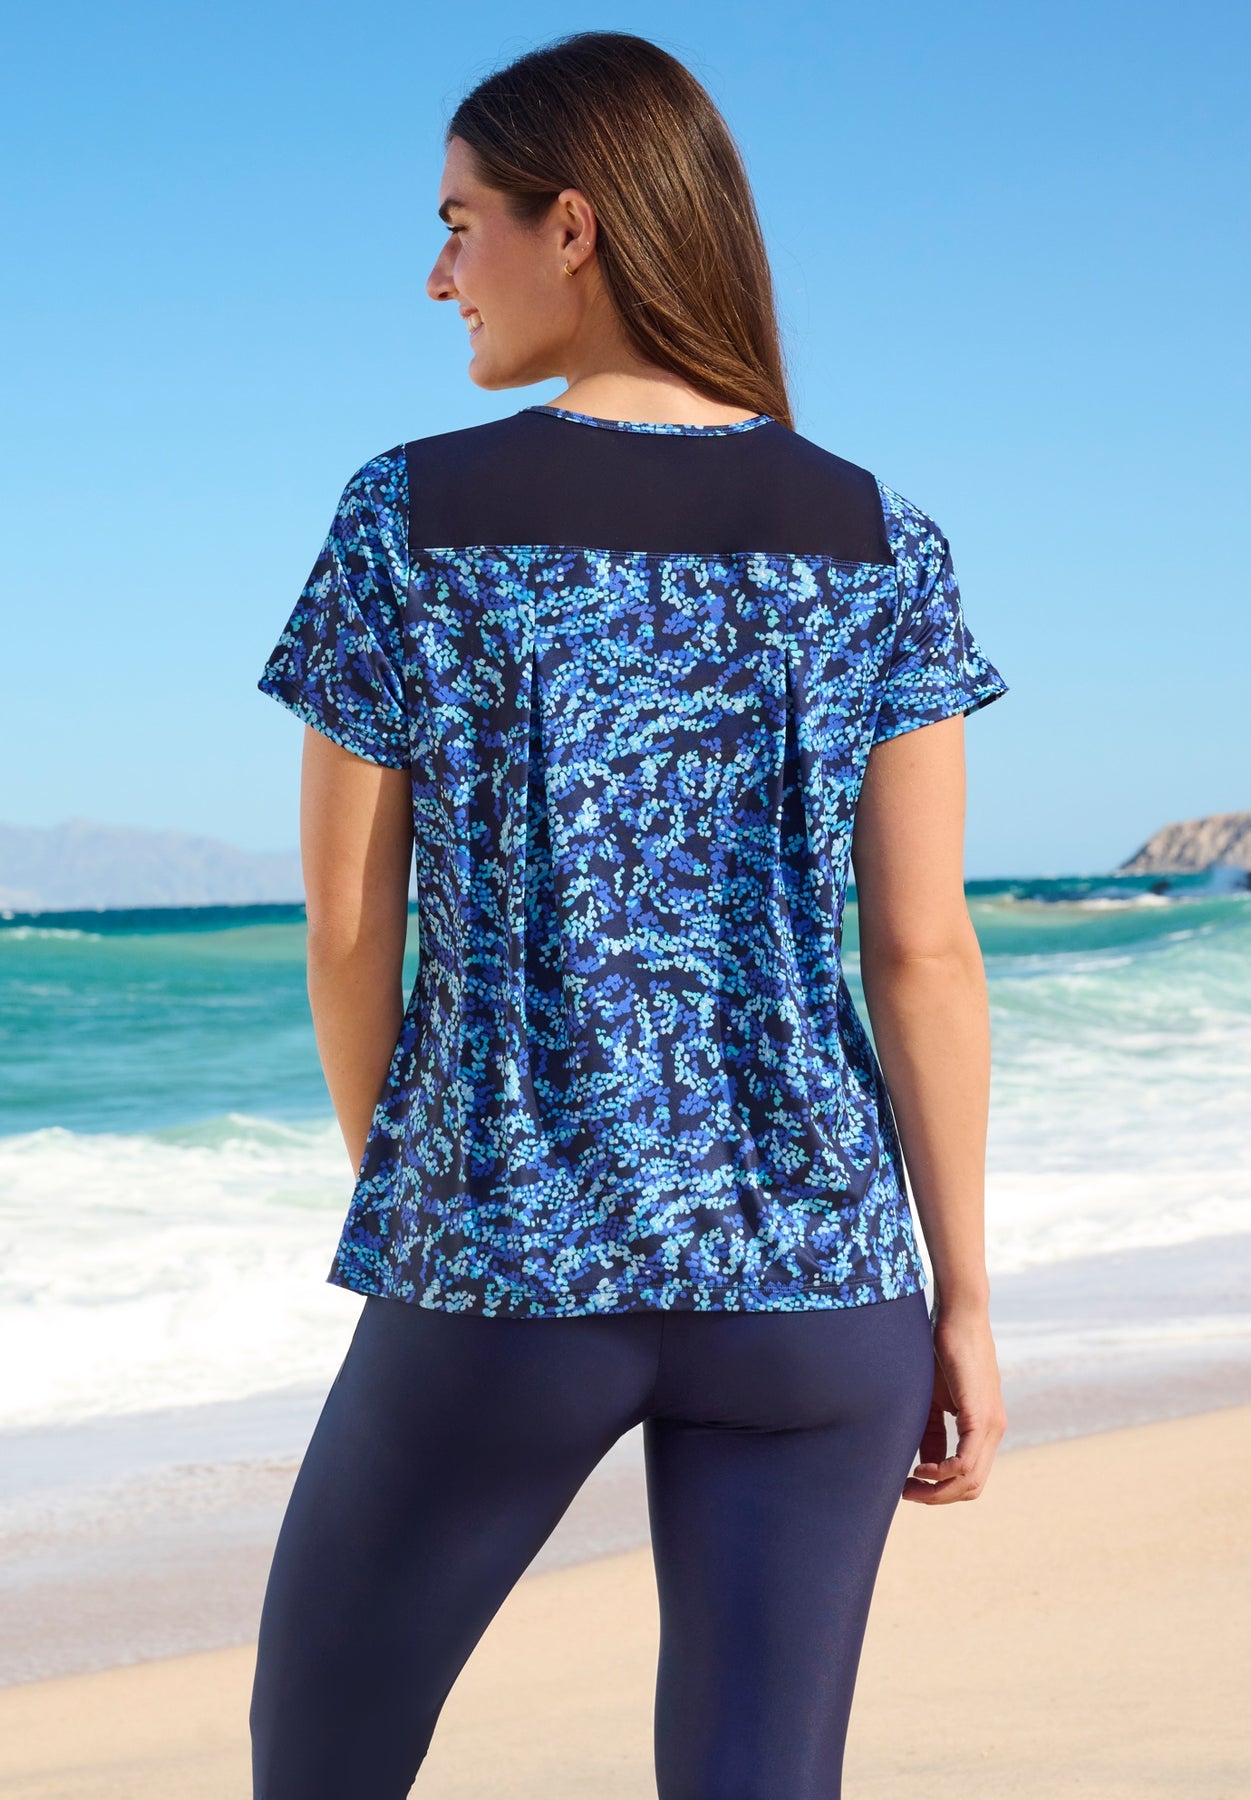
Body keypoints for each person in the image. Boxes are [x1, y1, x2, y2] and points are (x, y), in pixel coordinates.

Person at [248, 29, 1009, 1800]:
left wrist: (423, 1201)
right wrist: (962, 1300)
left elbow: (351, 927)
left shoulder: (409, 517)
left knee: (321, 1761)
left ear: (573, 227)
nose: (440, 274)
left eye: (460, 224)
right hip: (824, 1282)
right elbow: (922, 953)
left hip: (511, 1264)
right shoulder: (881, 541)